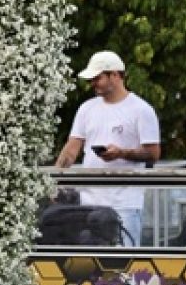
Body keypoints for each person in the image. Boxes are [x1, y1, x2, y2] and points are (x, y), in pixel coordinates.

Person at [55, 50, 161, 245]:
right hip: (88, 203)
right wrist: (56, 179)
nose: (92, 83)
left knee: (124, 265)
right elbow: (72, 148)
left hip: (124, 204)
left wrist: (121, 153)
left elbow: (153, 153)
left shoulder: (141, 109)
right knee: (89, 263)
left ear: (114, 75)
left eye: (97, 78)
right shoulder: (86, 108)